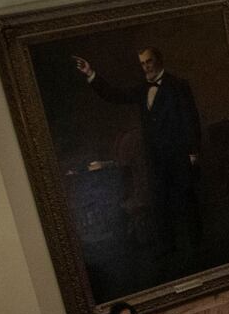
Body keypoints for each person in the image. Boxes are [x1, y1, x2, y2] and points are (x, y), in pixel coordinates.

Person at [73, 48, 202, 252]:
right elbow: (115, 95)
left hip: (178, 156)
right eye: (142, 64)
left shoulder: (178, 85)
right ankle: (170, 251)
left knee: (186, 202)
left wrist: (193, 152)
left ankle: (198, 248)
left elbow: (190, 119)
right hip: (155, 159)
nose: (146, 67)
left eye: (148, 62)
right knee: (160, 204)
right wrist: (91, 74)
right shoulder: (143, 89)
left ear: (158, 60)